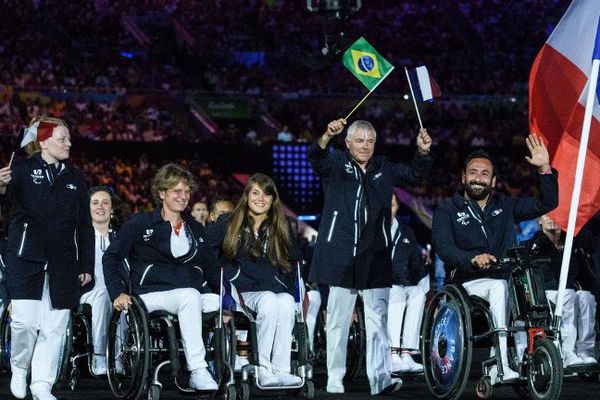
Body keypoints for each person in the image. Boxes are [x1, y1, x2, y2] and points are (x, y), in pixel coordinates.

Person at [307, 118, 433, 395]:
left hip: (374, 257)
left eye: (370, 141)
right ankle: (334, 378)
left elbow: (413, 173)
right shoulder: (336, 164)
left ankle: (380, 379)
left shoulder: (384, 168)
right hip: (340, 257)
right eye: (360, 140)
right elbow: (314, 155)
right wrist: (327, 134)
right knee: (339, 321)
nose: (365, 145)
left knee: (378, 322)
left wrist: (422, 152)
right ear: (348, 142)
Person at [431, 137, 558, 384]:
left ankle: (528, 356)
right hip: (465, 283)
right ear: (463, 177)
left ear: (493, 181)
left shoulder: (506, 206)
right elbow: (444, 248)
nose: (478, 178)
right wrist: (472, 259)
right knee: (500, 287)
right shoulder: (448, 210)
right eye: (473, 173)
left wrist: (544, 169)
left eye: (484, 174)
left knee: (524, 286)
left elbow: (548, 203)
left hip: (504, 278)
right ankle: (501, 364)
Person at [103, 164, 221, 391]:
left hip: (188, 295)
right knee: (189, 296)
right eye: (176, 191)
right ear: (161, 193)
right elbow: (111, 258)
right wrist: (117, 292)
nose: (183, 196)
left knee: (220, 302)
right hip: (150, 295)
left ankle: (238, 365)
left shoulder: (195, 227)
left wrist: (227, 301)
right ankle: (197, 369)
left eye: (187, 191)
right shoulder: (140, 223)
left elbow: (211, 268)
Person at [0, 116, 94, 400]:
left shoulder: (76, 178)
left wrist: (86, 265)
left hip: (64, 261)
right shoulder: (21, 169)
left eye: (68, 138)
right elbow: (5, 202)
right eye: (62, 138)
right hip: (26, 257)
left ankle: (42, 383)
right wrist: (1, 187)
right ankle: (19, 368)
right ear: (43, 141)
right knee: (25, 323)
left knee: (55, 327)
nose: (69, 143)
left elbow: (84, 227)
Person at [206, 173, 303, 387]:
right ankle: (262, 366)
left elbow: (294, 260)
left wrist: (289, 287)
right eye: (256, 193)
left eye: (267, 194)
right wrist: (218, 293)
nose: (261, 198)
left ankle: (281, 368)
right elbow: (206, 250)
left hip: (268, 289)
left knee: (286, 301)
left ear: (273, 199)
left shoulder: (281, 226)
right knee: (269, 299)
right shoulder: (229, 222)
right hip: (238, 291)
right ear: (247, 195)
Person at [528, 214, 597, 366]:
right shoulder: (536, 244)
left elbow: (584, 273)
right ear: (539, 220)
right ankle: (568, 351)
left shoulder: (572, 244)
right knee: (568, 294)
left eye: (556, 215)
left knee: (587, 297)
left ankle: (586, 351)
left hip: (569, 291)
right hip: (547, 292)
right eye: (547, 215)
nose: (552, 219)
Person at [79, 186, 128, 375]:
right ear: (88, 208)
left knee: (123, 301)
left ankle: (118, 358)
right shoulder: (80, 237)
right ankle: (99, 357)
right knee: (102, 296)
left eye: (105, 202)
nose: (101, 207)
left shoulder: (121, 237)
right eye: (95, 203)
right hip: (87, 293)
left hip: (116, 291)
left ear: (112, 209)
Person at [387, 193, 428, 373]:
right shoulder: (370, 231)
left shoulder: (406, 231)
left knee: (417, 293)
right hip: (378, 285)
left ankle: (407, 353)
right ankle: (392, 352)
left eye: (394, 204)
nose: (390, 208)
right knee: (396, 291)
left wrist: (424, 287)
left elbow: (416, 263)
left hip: (402, 283)